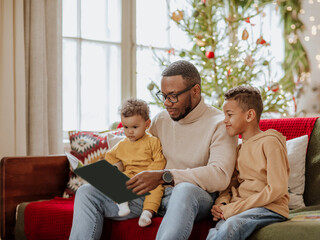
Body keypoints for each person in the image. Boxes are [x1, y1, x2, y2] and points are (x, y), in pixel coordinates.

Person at [69, 60, 238, 240]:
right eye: (163, 95)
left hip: (194, 197)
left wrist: (165, 176)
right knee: (86, 193)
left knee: (184, 190)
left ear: (195, 91)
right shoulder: (161, 119)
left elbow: (220, 175)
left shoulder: (220, 123)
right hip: (153, 194)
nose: (166, 103)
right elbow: (139, 151)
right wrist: (114, 170)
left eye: (173, 96)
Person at [206, 86, 290, 240]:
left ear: (250, 115)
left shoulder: (270, 142)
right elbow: (230, 185)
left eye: (229, 114)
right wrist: (223, 204)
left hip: (269, 208)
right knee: (215, 231)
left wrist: (234, 209)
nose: (225, 120)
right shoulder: (238, 149)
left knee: (231, 227)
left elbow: (277, 188)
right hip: (242, 208)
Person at [105, 98, 166, 227]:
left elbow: (160, 160)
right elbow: (109, 157)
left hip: (148, 178)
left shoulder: (152, 141)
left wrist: (148, 173)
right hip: (129, 177)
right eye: (126, 127)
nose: (129, 131)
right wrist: (115, 169)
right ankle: (122, 204)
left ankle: (147, 212)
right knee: (116, 183)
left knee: (157, 190)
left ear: (147, 124)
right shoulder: (121, 145)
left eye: (134, 127)